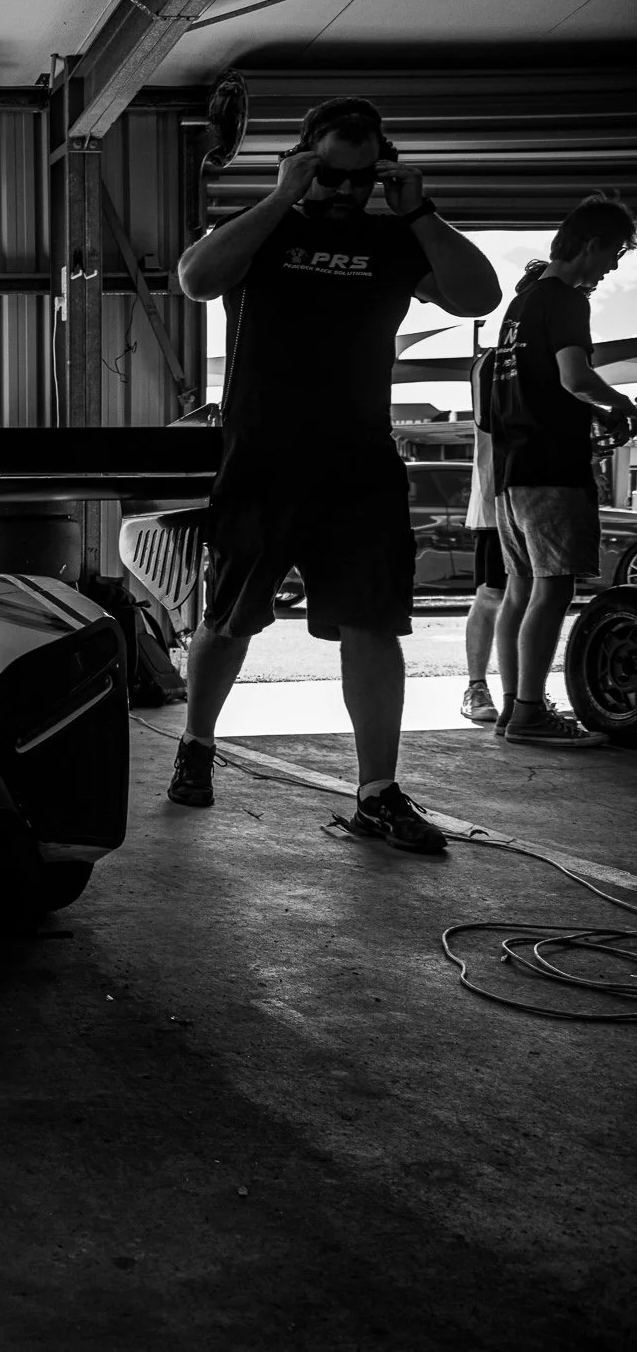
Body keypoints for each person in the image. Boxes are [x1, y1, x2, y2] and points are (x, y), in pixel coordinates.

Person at [170, 95, 500, 852]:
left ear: (381, 170)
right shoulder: (267, 227)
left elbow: (479, 293)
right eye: (330, 175)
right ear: (304, 163)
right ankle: (195, 743)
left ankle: (376, 792)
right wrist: (285, 195)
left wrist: (420, 212)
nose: (345, 192)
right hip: (263, 459)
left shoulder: (396, 240)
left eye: (361, 178)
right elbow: (195, 278)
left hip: (359, 463)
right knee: (228, 621)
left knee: (374, 625)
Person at [487, 194, 637, 747]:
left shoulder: (520, 305)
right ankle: (528, 712)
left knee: (520, 589)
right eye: (615, 252)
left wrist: (591, 414)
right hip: (551, 467)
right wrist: (622, 406)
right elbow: (575, 377)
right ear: (592, 244)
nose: (615, 266)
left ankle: (513, 708)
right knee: (553, 589)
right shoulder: (567, 301)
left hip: (511, 469)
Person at [459, 370, 504, 723]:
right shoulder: (492, 362)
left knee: (538, 599)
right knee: (492, 596)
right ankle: (476, 687)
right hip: (497, 502)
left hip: (530, 497)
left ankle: (524, 694)